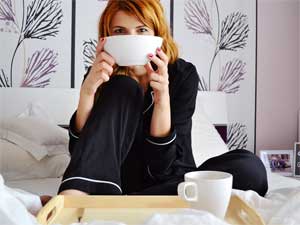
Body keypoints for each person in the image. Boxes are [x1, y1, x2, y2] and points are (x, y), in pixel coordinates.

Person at [58, 0, 268, 197]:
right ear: (107, 38)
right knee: (123, 86)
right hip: (115, 179)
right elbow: (83, 155)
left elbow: (163, 165)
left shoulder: (182, 74)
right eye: (120, 32)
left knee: (250, 169)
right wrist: (87, 93)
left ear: (158, 35)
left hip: (174, 179)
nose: (132, 39)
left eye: (142, 30)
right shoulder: (101, 75)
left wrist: (162, 99)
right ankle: (79, 195)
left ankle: (127, 201)